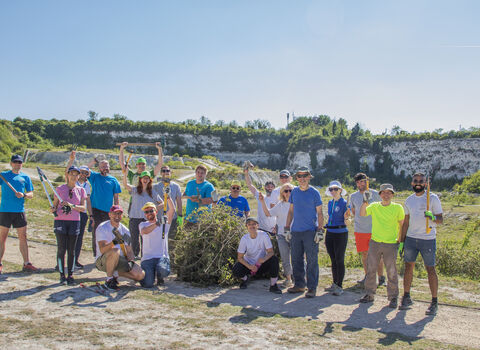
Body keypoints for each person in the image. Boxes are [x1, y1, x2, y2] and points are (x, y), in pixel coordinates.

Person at [399, 172, 443, 315]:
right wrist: (402, 241)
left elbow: (440, 220)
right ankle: (406, 296)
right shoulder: (409, 200)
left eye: (421, 181)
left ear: (426, 183)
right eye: (415, 180)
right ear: (412, 183)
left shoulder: (433, 198)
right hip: (411, 238)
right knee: (408, 267)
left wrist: (432, 217)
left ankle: (434, 301)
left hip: (428, 239)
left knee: (430, 269)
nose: (418, 183)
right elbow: (405, 222)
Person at [359, 184, 405, 308]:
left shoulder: (398, 208)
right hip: (375, 242)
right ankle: (369, 294)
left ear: (392, 195)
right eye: (383, 193)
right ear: (380, 195)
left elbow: (402, 225)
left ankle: (393, 297)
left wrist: (401, 241)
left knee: (391, 271)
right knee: (371, 269)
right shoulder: (374, 206)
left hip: (391, 243)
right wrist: (365, 200)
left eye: (389, 193)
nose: (386, 195)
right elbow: (362, 213)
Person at [285, 166, 324, 298]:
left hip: (310, 231)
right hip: (295, 231)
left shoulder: (315, 193)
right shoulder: (294, 192)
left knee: (312, 260)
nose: (302, 178)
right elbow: (290, 211)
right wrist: (286, 228)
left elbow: (320, 213)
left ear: (309, 177)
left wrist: (320, 230)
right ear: (296, 178)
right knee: (296, 259)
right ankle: (299, 285)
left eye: (305, 176)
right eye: (299, 176)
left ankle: (312, 288)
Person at [0, 155, 37, 273]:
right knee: (2, 238)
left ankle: (27, 263)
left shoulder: (25, 177)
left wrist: (24, 195)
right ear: (11, 163)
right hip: (5, 210)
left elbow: (31, 193)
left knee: (23, 237)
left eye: (19, 162)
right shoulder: (3, 175)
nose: (17, 164)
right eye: (15, 162)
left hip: (19, 211)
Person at [95, 205, 145, 290]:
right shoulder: (102, 228)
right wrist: (114, 242)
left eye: (119, 214)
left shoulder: (125, 231)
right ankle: (109, 280)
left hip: (119, 260)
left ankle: (116, 273)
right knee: (115, 251)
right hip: (103, 261)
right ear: (109, 214)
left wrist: (131, 262)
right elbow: (102, 250)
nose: (117, 216)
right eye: (114, 213)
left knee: (140, 275)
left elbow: (129, 251)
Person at [51, 166, 86, 285]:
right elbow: (54, 205)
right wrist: (53, 209)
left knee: (72, 250)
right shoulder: (60, 189)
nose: (73, 176)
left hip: (74, 222)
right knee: (61, 249)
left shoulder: (81, 190)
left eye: (76, 174)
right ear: (67, 175)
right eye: (71, 174)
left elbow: (83, 208)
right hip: (61, 221)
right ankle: (62, 274)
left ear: (79, 176)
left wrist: (71, 205)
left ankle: (70, 274)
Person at [350, 173, 385, 286]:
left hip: (374, 229)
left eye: (363, 181)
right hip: (360, 229)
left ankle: (381, 277)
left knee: (377, 255)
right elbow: (353, 211)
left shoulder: (375, 194)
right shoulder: (353, 196)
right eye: (358, 182)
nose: (361, 184)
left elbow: (383, 208)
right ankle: (368, 276)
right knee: (364, 255)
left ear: (367, 181)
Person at [232, 217, 282, 294]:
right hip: (249, 265)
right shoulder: (244, 239)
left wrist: (264, 259)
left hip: (261, 265)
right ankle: (245, 279)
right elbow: (240, 257)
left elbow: (271, 252)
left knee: (274, 260)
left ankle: (273, 285)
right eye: (249, 224)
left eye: (254, 224)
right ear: (246, 227)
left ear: (258, 225)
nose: (252, 226)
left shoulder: (264, 235)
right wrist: (249, 266)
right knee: (236, 268)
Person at [258, 183, 294, 286]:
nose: (288, 193)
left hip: (296, 234)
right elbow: (268, 213)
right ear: (282, 193)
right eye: (286, 191)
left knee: (298, 258)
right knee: (285, 257)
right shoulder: (280, 204)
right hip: (282, 235)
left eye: (290, 191)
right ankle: (288, 279)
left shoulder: (297, 204)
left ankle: (301, 279)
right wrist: (262, 201)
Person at [87, 159, 122, 257]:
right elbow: (84, 170)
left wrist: (117, 211)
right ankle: (97, 255)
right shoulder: (94, 177)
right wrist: (93, 162)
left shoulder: (113, 180)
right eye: (102, 166)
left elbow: (116, 197)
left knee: (109, 233)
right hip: (96, 210)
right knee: (96, 233)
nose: (105, 168)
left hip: (109, 211)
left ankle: (108, 255)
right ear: (99, 168)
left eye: (106, 166)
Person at [65, 150, 93, 269]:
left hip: (82, 213)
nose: (83, 174)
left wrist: (91, 215)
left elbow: (88, 201)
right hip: (71, 212)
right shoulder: (71, 181)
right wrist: (71, 160)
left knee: (79, 237)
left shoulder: (87, 186)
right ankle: (64, 260)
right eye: (82, 172)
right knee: (67, 236)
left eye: (86, 173)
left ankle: (75, 260)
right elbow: (67, 172)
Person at [139, 201, 175, 287]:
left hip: (161, 257)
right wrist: (157, 223)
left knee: (163, 270)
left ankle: (160, 276)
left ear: (156, 211)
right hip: (147, 259)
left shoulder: (165, 223)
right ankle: (147, 274)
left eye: (151, 211)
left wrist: (168, 198)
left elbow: (172, 210)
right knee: (147, 284)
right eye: (146, 212)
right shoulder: (142, 224)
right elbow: (145, 231)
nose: (149, 213)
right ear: (144, 214)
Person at [323, 181, 350, 296]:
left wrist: (347, 219)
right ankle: (334, 283)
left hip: (341, 233)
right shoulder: (330, 203)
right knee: (333, 259)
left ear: (340, 190)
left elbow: (348, 220)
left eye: (335, 189)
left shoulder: (344, 203)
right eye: (331, 189)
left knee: (339, 259)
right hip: (330, 232)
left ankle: (339, 285)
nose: (333, 191)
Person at [123, 170, 155, 259]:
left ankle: (145, 255)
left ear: (149, 180)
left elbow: (160, 202)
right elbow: (125, 185)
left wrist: (154, 209)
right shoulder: (135, 189)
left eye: (147, 178)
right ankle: (135, 255)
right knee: (134, 237)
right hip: (134, 218)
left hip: (146, 219)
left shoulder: (152, 192)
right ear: (140, 179)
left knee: (145, 238)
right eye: (144, 178)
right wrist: (125, 174)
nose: (145, 180)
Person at [152, 165, 183, 240]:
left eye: (167, 171)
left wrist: (180, 216)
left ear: (170, 173)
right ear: (160, 173)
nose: (165, 172)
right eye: (163, 171)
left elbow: (179, 202)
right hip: (159, 218)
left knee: (171, 240)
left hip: (172, 218)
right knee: (159, 240)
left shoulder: (176, 186)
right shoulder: (155, 187)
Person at [244, 168, 276, 233]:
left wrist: (276, 227)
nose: (269, 188)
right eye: (268, 186)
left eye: (271, 186)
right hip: (260, 228)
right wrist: (246, 174)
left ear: (274, 188)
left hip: (272, 229)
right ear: (264, 187)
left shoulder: (277, 199)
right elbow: (250, 185)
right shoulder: (261, 196)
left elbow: (280, 215)